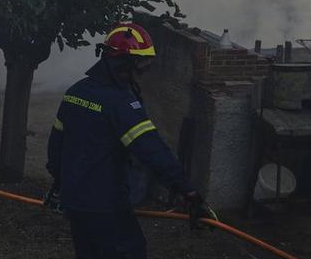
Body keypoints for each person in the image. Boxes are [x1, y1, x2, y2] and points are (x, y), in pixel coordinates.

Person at [46, 23, 211, 259]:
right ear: (122, 63)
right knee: (130, 251)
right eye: (139, 64)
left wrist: (61, 181)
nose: (141, 72)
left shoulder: (75, 92)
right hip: (105, 205)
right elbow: (152, 152)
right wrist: (189, 192)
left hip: (74, 201)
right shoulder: (121, 104)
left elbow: (56, 146)